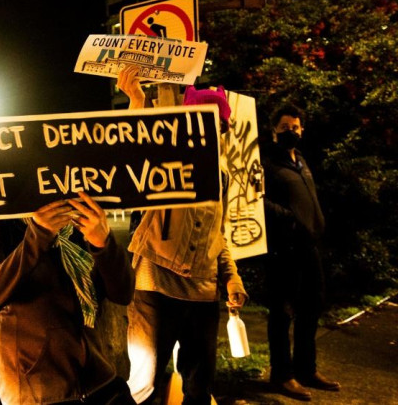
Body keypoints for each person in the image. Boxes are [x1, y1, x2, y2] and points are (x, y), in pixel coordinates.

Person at [117, 66, 248, 405]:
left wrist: (231, 278)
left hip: (204, 294)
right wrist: (137, 102)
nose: (212, 133)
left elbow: (218, 236)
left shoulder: (221, 175)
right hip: (155, 287)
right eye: (203, 123)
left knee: (199, 389)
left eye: (218, 126)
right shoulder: (165, 158)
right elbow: (131, 155)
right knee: (142, 386)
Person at [0, 191, 136, 404]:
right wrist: (37, 235)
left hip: (98, 380)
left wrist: (103, 244)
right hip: (38, 392)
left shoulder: (78, 228)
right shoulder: (2, 226)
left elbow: (123, 293)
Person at [262, 104, 340, 401]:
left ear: (302, 130)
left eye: (295, 127)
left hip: (309, 246)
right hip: (284, 249)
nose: (291, 132)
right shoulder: (267, 164)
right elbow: (257, 201)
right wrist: (289, 220)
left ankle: (306, 368)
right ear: (274, 131)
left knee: (312, 307)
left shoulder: (301, 161)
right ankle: (282, 375)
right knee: (282, 312)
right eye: (284, 127)